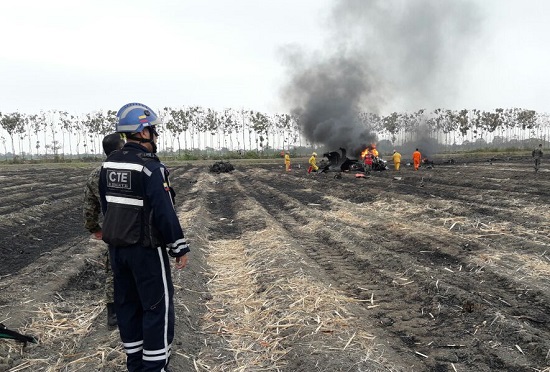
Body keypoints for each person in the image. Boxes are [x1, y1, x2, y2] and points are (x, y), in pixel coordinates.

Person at [99, 103, 190, 372]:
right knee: (156, 308)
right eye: (153, 130)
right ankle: (155, 367)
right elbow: (164, 211)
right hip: (146, 250)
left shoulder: (107, 166)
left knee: (128, 305)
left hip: (117, 251)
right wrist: (178, 246)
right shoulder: (150, 169)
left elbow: (108, 208)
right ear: (142, 132)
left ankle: (135, 364)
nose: (156, 136)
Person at [83, 133, 125, 327]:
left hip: (111, 229)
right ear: (121, 148)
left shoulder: (96, 174)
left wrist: (94, 228)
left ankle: (113, 313)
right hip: (135, 228)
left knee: (113, 269)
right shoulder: (129, 171)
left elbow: (89, 207)